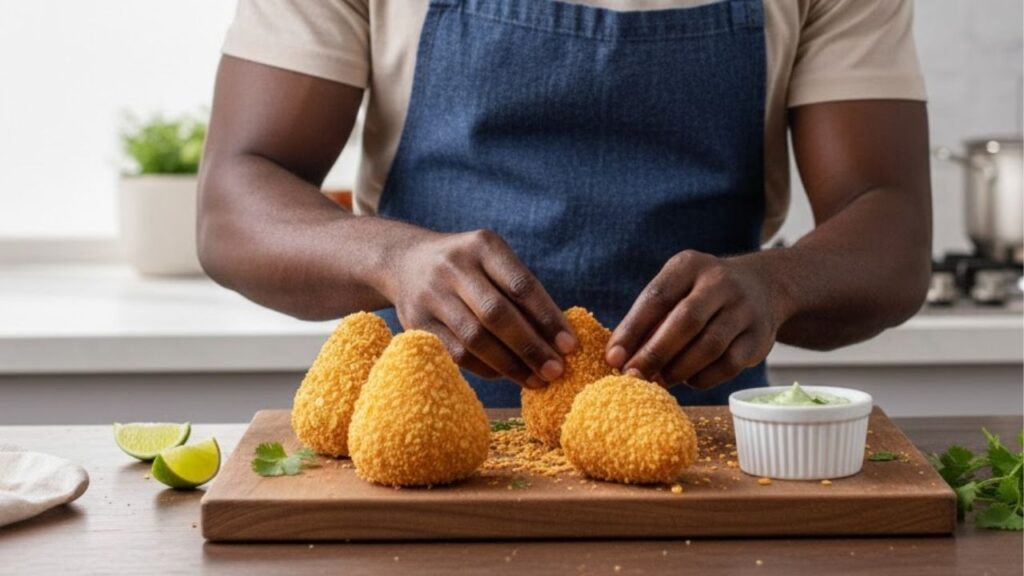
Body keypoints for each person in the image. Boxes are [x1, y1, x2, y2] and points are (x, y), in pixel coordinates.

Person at [197, 0, 932, 407]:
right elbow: (234, 198)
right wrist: (393, 258)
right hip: (418, 448)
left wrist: (778, 283)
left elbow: (891, 227)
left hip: (710, 454)